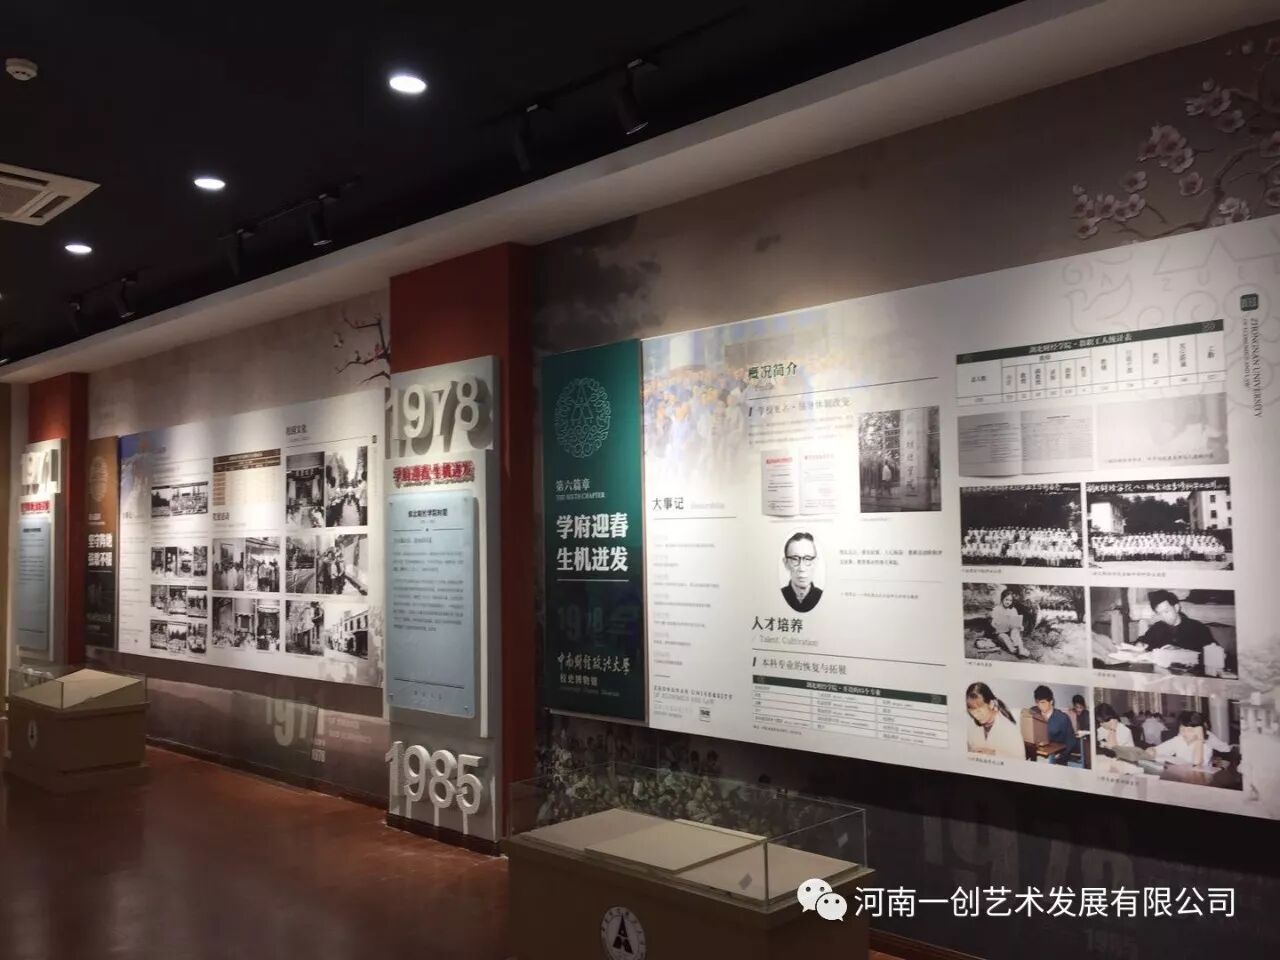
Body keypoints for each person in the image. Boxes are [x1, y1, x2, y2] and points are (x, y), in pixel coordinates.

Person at [1139, 590, 1213, 672]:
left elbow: (1214, 654)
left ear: (1176, 608)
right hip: (1162, 674)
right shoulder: (1157, 627)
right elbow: (1143, 641)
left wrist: (1179, 650)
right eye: (1159, 613)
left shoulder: (1197, 627)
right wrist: (1140, 644)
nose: (1164, 617)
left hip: (1191, 675)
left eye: (1166, 611)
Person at [1147, 711, 1230, 768]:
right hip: (1182, 776)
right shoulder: (1179, 739)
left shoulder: (1206, 743)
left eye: (1190, 730)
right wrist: (1152, 750)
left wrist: (1199, 738)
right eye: (1182, 729)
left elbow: (1197, 764)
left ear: (1199, 730)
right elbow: (1156, 750)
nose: (1185, 733)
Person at [965, 682, 1025, 760]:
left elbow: (1020, 760)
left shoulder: (1010, 730)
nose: (976, 715)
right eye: (972, 710)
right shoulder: (972, 726)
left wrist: (993, 753)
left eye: (979, 710)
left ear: (991, 704)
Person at [1033, 685, 1079, 765]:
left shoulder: (1062, 718)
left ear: (1051, 701)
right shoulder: (1034, 713)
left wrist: (1061, 755)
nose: (1039, 706)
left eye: (1043, 702)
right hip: (1038, 754)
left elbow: (1071, 741)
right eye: (1037, 702)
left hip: (1057, 757)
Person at [781, 532, 823, 613]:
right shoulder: (778, 595)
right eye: (795, 559)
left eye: (808, 559)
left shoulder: (823, 597)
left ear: (815, 562)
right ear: (786, 563)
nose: (802, 568)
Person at [989, 589, 1031, 658]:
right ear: (1002, 599)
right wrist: (996, 625)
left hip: (1012, 633)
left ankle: (1021, 650)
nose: (1008, 602)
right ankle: (1014, 649)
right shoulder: (996, 609)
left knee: (1015, 631)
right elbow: (992, 624)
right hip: (1001, 633)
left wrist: (1020, 627)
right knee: (1004, 637)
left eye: (1010, 600)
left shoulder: (1013, 610)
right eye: (1006, 599)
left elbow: (1017, 623)